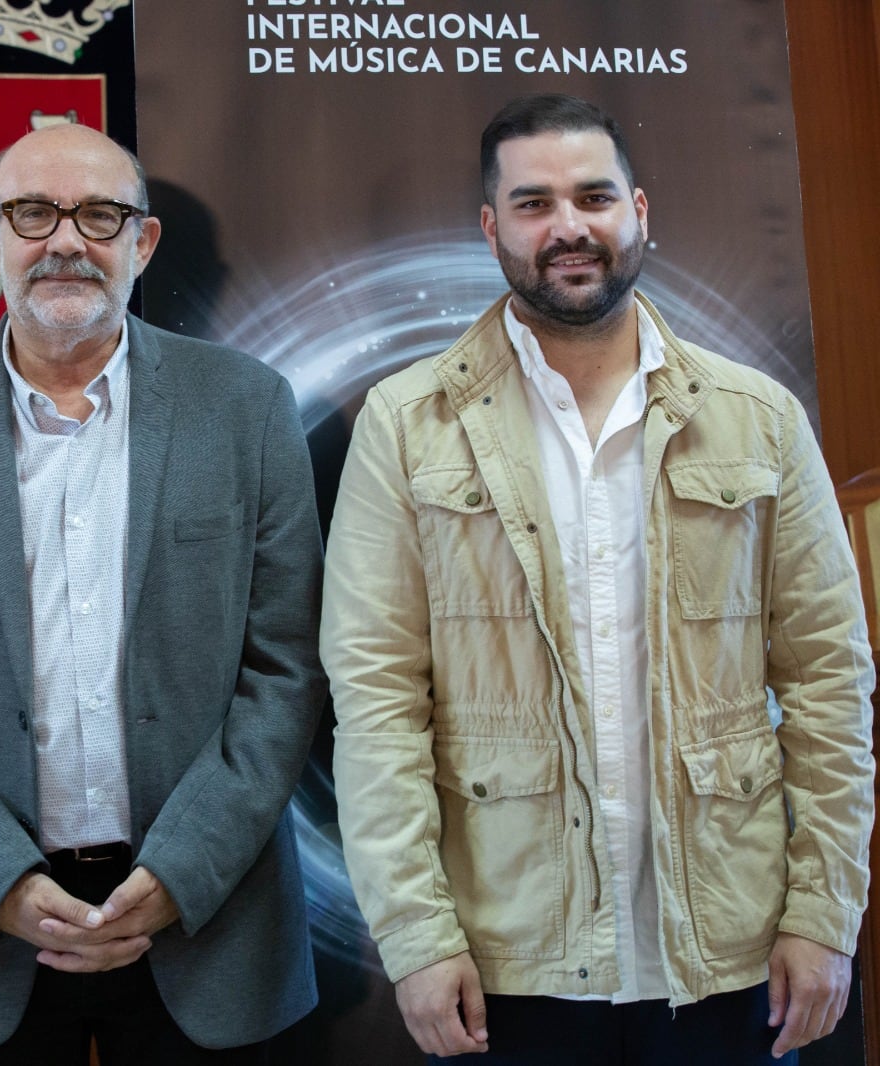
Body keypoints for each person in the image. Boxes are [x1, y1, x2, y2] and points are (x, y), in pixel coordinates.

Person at [322, 93, 876, 1064]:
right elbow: (375, 699)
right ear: (491, 227)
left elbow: (830, 679)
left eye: (592, 196)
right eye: (533, 203)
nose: (568, 226)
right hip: (510, 966)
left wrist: (825, 912)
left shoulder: (759, 418)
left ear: (640, 210)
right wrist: (415, 936)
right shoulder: (404, 426)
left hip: (728, 957)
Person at [0, 122, 326, 1063]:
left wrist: (184, 869)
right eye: (32, 213)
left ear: (142, 243)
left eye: (100, 215)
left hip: (206, 923)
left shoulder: (247, 406)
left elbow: (287, 670)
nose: (64, 240)